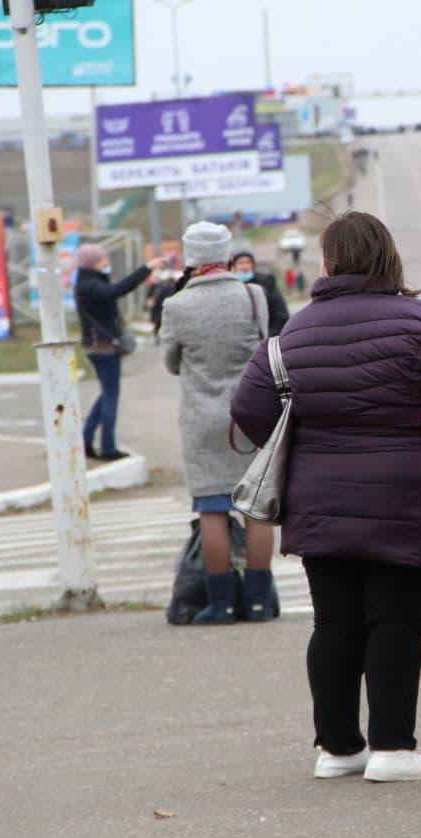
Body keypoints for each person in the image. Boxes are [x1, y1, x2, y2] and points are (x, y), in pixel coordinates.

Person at [231, 211, 421, 783]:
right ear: (390, 257)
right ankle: (393, 750)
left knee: (334, 624)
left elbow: (249, 408)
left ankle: (337, 748)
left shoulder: (291, 336)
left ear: (327, 263)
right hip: (408, 500)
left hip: (318, 501)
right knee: (397, 619)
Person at [161, 222, 277, 624]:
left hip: (200, 420)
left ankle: (222, 604)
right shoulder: (252, 294)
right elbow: (263, 345)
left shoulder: (175, 306)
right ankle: (260, 602)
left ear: (191, 260)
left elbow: (171, 362)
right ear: (228, 256)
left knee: (212, 508)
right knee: (255, 509)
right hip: (248, 416)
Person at [74, 244, 166, 460]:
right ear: (93, 263)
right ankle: (108, 447)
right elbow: (117, 290)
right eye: (102, 260)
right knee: (111, 395)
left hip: (98, 346)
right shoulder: (90, 284)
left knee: (106, 393)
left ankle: (85, 439)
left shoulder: (87, 281)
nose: (107, 263)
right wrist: (146, 269)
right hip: (103, 348)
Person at [230, 250, 290, 336]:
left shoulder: (266, 282)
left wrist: (267, 338)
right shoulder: (231, 285)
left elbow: (280, 314)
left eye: (248, 262)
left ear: (253, 265)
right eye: (240, 263)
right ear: (234, 266)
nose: (245, 266)